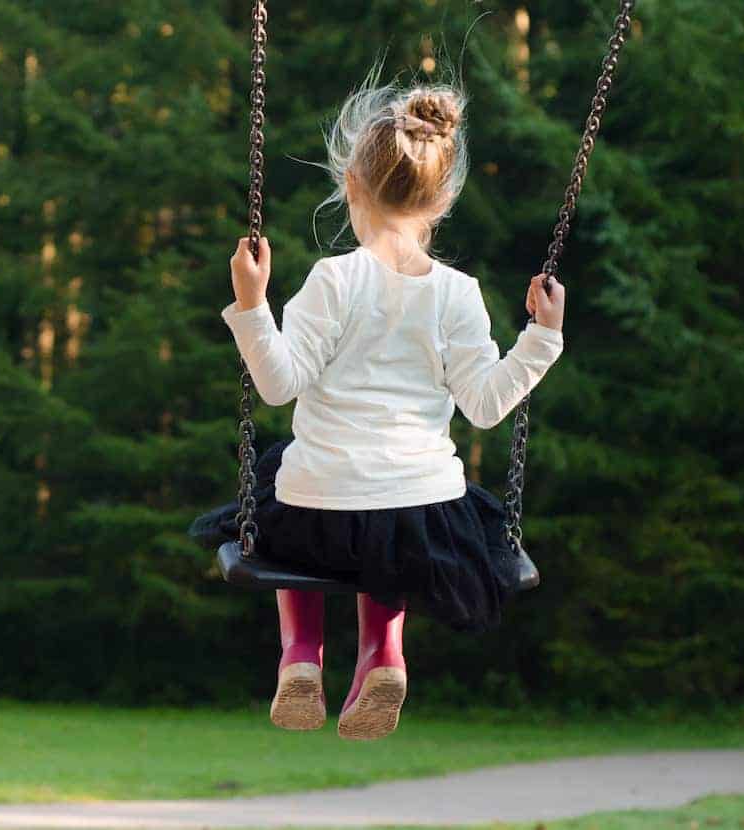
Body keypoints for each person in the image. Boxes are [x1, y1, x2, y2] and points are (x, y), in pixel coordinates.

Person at [214, 77, 565, 740]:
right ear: (443, 198)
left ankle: (300, 654)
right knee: (392, 526)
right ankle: (385, 653)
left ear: (352, 183)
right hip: (421, 518)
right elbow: (487, 405)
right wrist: (541, 337)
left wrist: (252, 304)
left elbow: (279, 385)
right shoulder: (458, 294)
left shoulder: (333, 279)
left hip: (318, 512)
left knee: (282, 481)